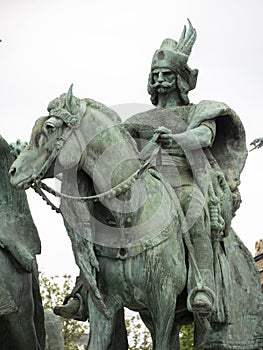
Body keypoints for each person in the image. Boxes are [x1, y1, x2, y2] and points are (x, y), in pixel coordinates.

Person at [55, 21, 247, 319]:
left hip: (182, 179)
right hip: (145, 182)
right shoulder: (139, 118)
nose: (160, 80)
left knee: (194, 209)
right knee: (100, 221)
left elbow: (204, 137)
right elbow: (118, 147)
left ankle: (202, 284)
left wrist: (177, 138)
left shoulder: (197, 111)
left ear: (181, 79)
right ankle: (85, 288)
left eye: (167, 74)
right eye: (155, 75)